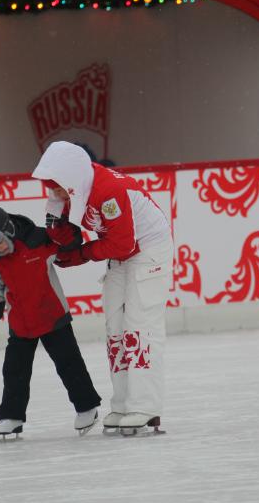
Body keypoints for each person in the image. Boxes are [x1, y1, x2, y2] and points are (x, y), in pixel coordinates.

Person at [32, 141, 173, 435]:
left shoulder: (109, 191)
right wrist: (59, 236)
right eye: (50, 186)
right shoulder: (68, 194)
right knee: (115, 328)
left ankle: (145, 406)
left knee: (139, 326)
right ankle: (123, 403)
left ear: (71, 178)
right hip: (121, 254)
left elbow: (122, 243)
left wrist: (81, 254)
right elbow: (64, 235)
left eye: (57, 186)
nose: (53, 192)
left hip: (147, 250)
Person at [0, 205, 101, 437]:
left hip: (53, 317)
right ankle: (11, 416)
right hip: (21, 325)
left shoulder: (37, 239)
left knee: (69, 364)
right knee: (14, 371)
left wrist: (62, 226)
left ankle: (87, 407)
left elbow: (68, 246)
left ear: (8, 230)